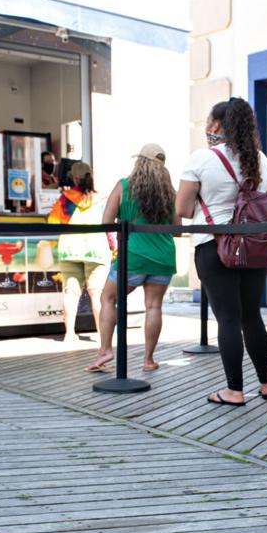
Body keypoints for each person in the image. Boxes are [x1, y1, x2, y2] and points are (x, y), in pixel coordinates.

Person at [175, 97, 267, 407]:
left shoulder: (202, 159)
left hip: (214, 245)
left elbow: (182, 208)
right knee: (251, 317)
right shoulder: (261, 160)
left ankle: (234, 390)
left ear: (217, 125)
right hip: (253, 245)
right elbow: (264, 200)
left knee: (228, 319)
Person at [85, 144, 177, 373]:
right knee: (154, 306)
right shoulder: (170, 192)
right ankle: (148, 360)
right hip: (163, 256)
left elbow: (106, 221)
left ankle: (105, 350)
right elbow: (177, 230)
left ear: (139, 162)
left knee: (107, 298)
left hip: (132, 256)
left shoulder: (124, 186)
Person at [47, 161, 110, 344]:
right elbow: (110, 224)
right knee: (97, 293)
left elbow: (53, 222)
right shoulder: (101, 199)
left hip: (70, 249)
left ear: (73, 177)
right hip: (96, 249)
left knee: (71, 292)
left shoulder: (65, 199)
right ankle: (101, 335)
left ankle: (69, 334)